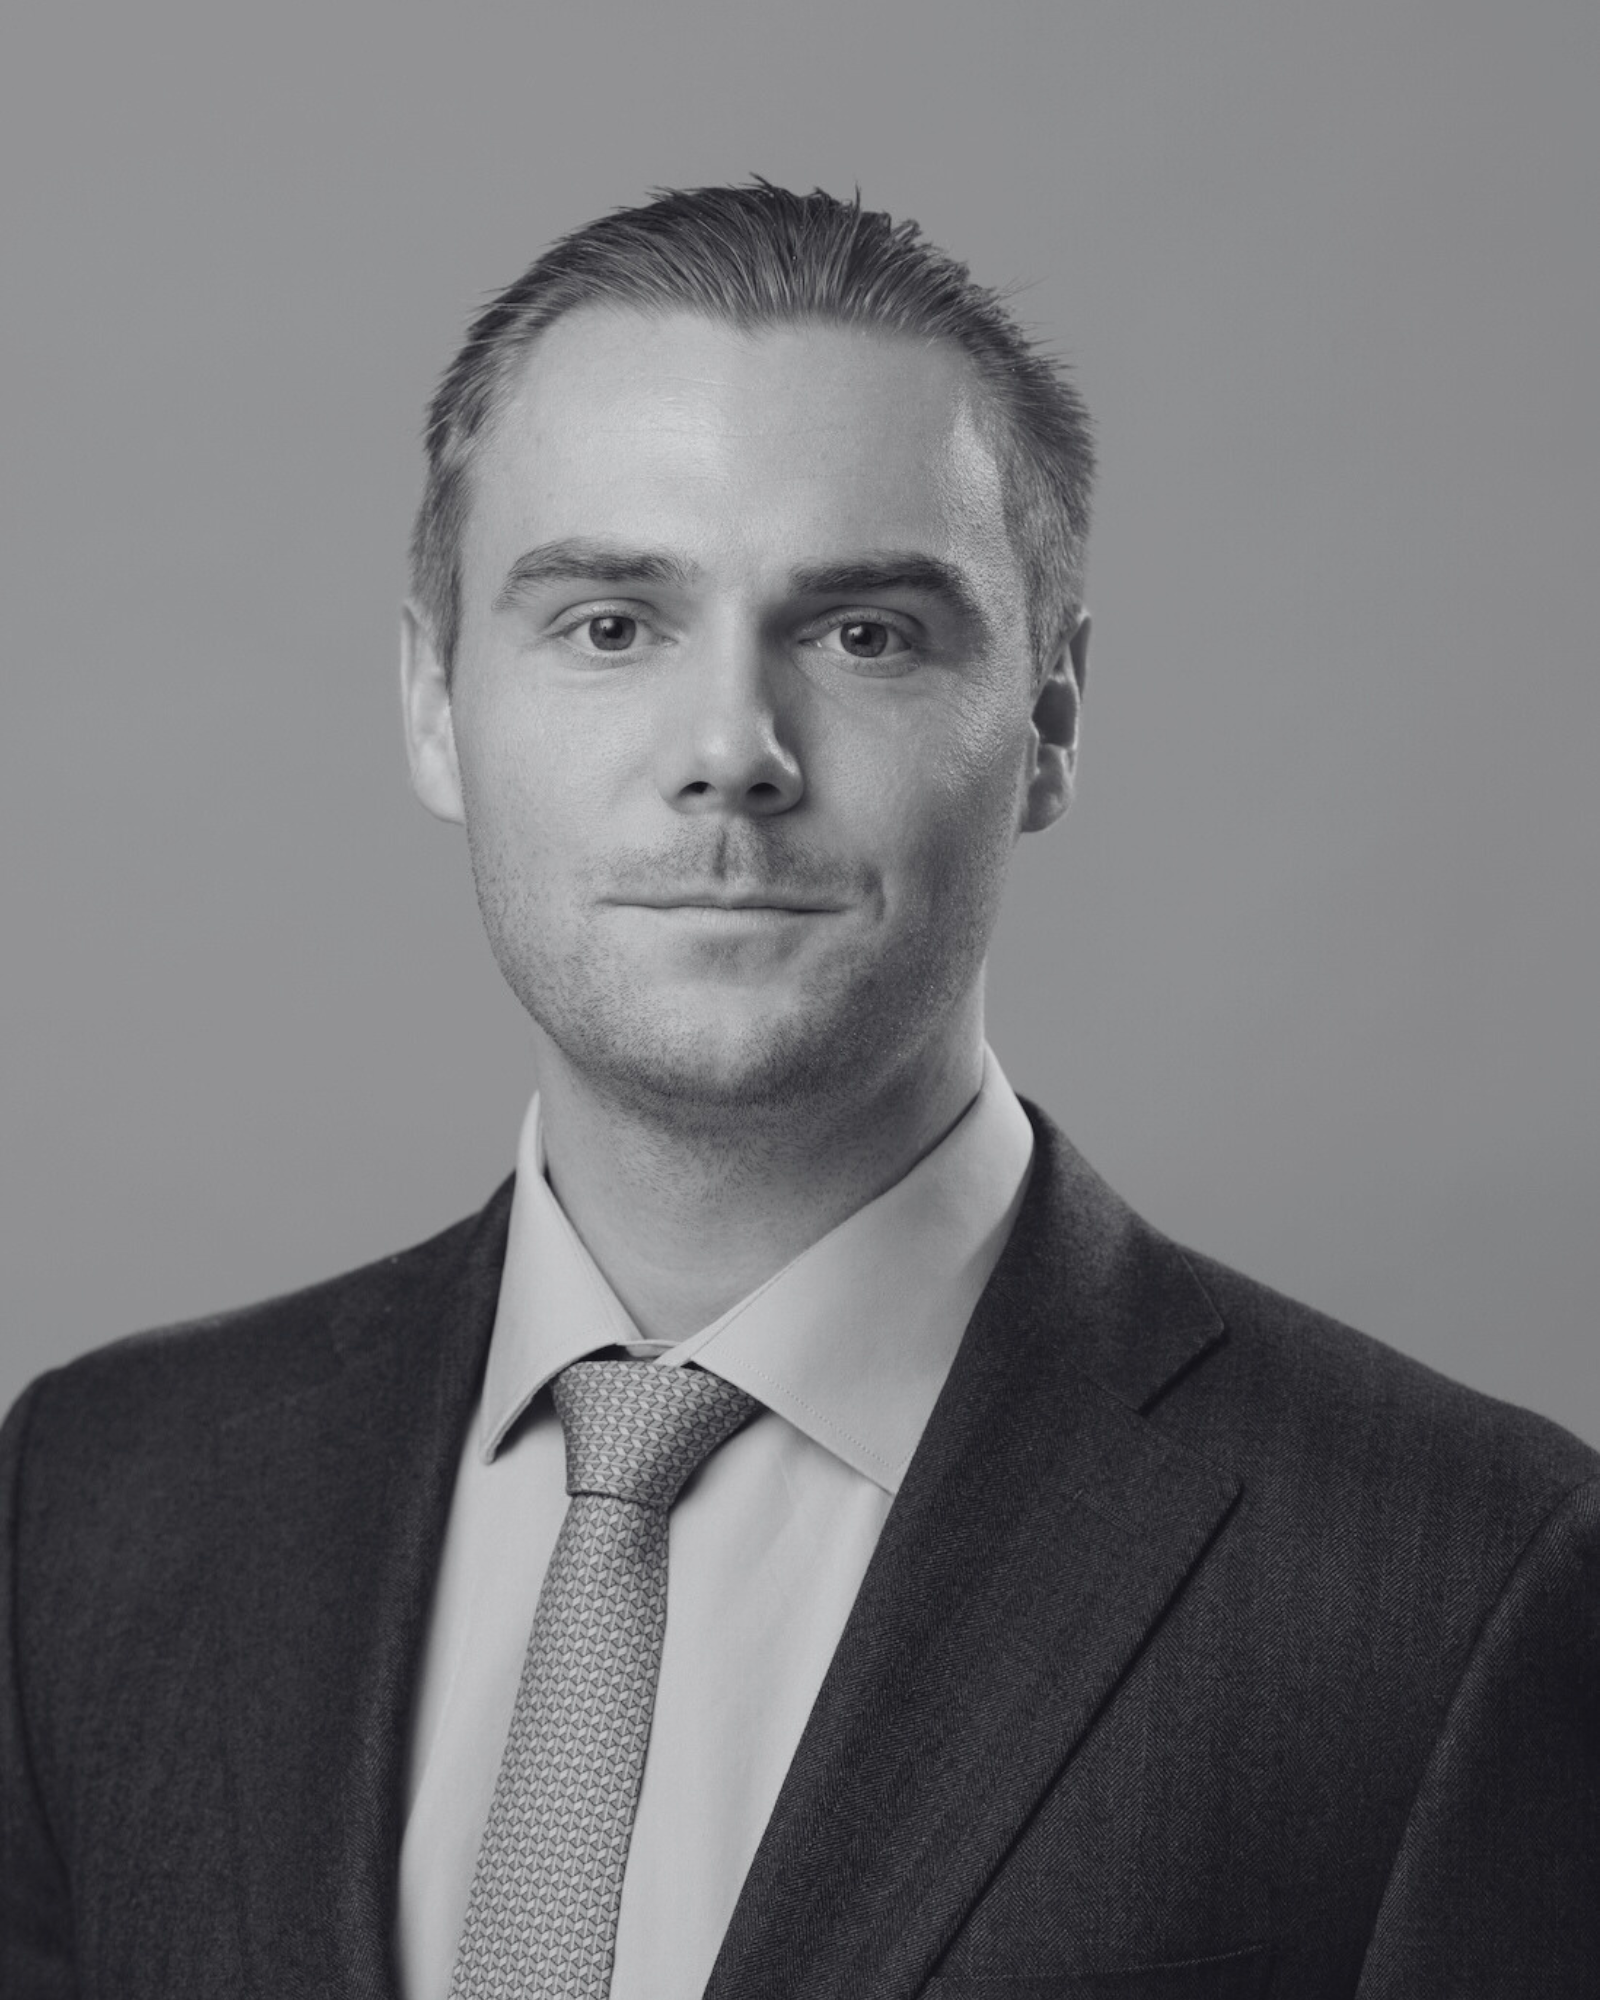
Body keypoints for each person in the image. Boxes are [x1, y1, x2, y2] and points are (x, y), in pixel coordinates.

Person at [2, 182, 1595, 2000]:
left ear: (1050, 723)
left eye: (864, 635)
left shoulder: (1453, 1589)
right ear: (436, 701)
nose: (730, 754)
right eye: (611, 624)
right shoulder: (96, 1509)